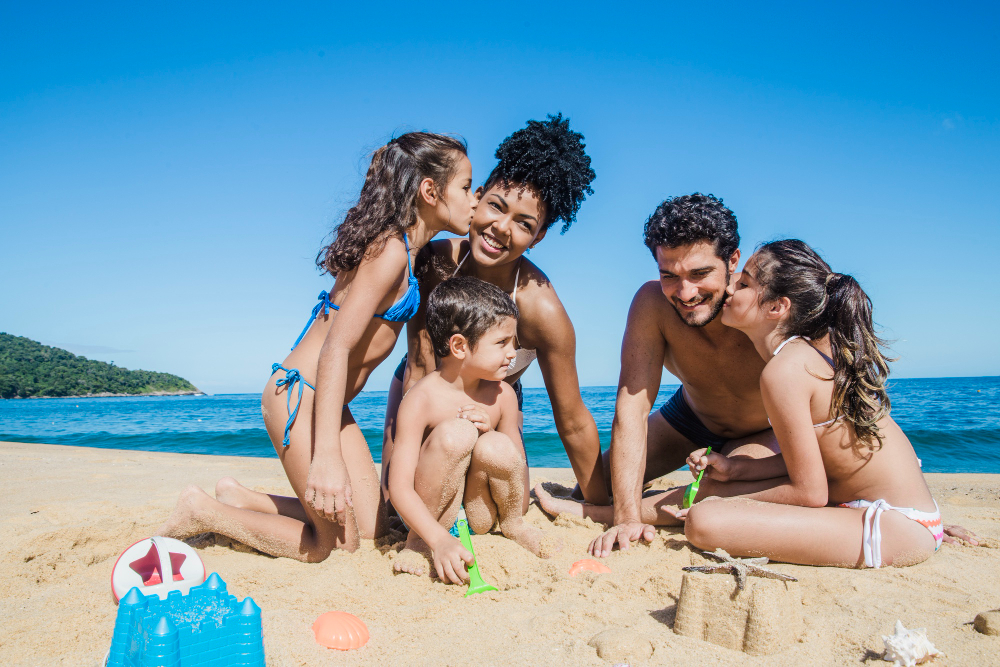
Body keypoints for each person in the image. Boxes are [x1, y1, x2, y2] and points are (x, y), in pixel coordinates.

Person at [533, 194, 977, 556]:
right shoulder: (654, 304)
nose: (685, 292)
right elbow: (632, 406)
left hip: (762, 433)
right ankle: (606, 509)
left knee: (708, 493)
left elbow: (853, 401)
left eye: (700, 273)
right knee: (599, 486)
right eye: (669, 275)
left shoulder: (770, 313)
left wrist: (910, 503)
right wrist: (625, 515)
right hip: (691, 414)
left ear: (733, 261)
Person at [156, 132, 478, 561]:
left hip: (326, 402)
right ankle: (203, 511)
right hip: (298, 396)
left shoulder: (407, 250)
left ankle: (242, 498)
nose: (474, 199)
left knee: (372, 528)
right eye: (466, 187)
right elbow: (336, 349)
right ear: (430, 191)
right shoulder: (390, 252)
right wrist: (327, 455)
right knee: (333, 545)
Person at [383, 114, 607, 507]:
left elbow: (572, 420)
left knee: (502, 506)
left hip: (493, 405)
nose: (502, 227)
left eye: (524, 224)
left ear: (538, 237)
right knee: (396, 507)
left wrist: (602, 504)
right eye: (496, 206)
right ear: (478, 196)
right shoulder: (435, 263)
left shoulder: (539, 309)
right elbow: (419, 365)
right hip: (422, 392)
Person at [677, 239, 942, 567]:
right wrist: (738, 470)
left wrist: (719, 496)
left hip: (893, 526)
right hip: (904, 514)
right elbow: (817, 460)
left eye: (744, 284)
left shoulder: (785, 370)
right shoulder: (809, 353)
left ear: (777, 307)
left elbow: (810, 493)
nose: (730, 289)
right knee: (718, 501)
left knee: (705, 519)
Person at [389, 277, 553, 584]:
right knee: (456, 434)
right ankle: (417, 543)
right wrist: (437, 539)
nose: (513, 353)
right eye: (502, 343)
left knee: (496, 444)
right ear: (459, 346)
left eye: (513, 342)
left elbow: (517, 478)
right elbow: (398, 487)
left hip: (481, 515)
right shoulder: (420, 400)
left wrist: (489, 434)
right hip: (431, 517)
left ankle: (513, 527)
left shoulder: (503, 396)